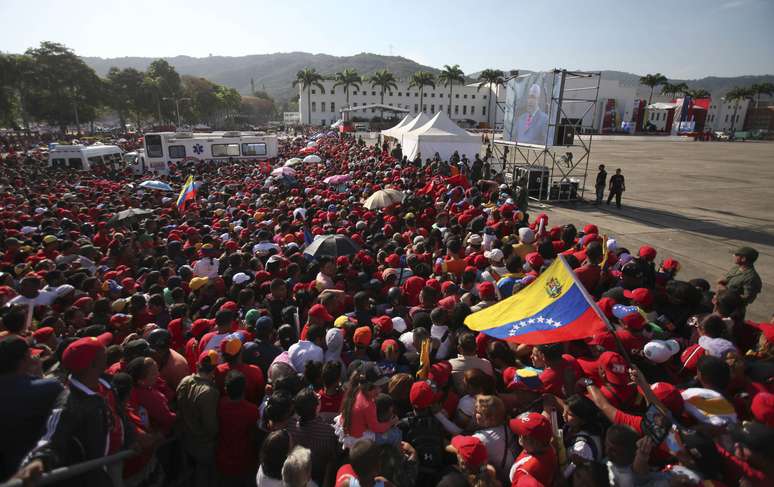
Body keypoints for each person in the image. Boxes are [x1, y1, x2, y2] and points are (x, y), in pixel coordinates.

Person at [176, 350, 221, 487]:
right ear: (214, 370)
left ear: (198, 365)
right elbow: (211, 427)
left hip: (186, 439)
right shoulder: (209, 392)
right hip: (203, 445)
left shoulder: (185, 381)